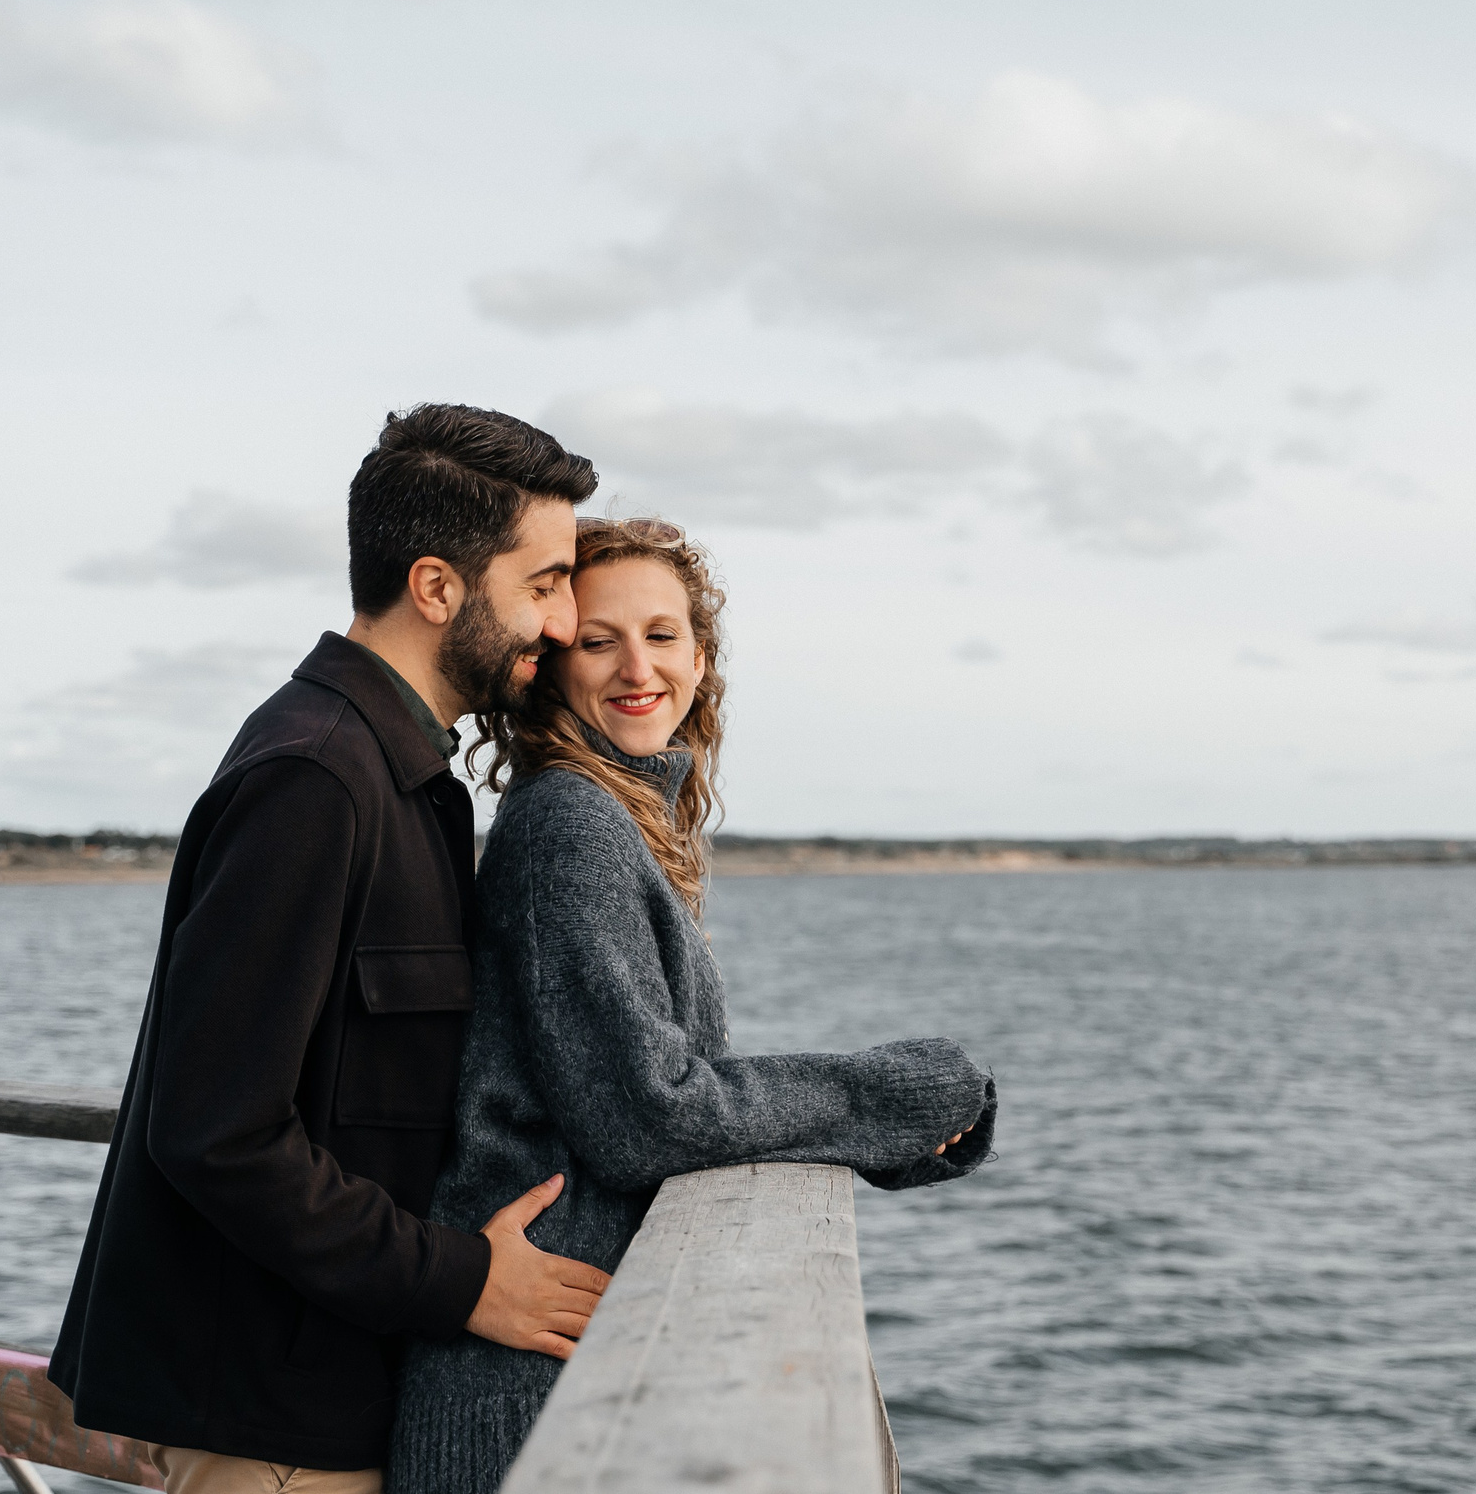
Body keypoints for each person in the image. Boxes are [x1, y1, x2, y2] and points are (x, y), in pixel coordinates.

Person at [50, 405, 619, 1494]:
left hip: (327, 1395)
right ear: (437, 586)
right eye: (545, 583)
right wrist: (465, 1280)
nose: (563, 622)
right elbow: (218, 1132)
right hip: (275, 1425)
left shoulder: (401, 774)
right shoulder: (314, 777)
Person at [385, 516, 999, 1493]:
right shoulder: (567, 825)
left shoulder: (617, 814)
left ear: (700, 656)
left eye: (662, 634)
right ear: (552, 664)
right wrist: (899, 1094)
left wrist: (882, 1133)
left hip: (572, 1354)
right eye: (599, 640)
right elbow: (647, 1112)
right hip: (520, 1386)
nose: (638, 667)